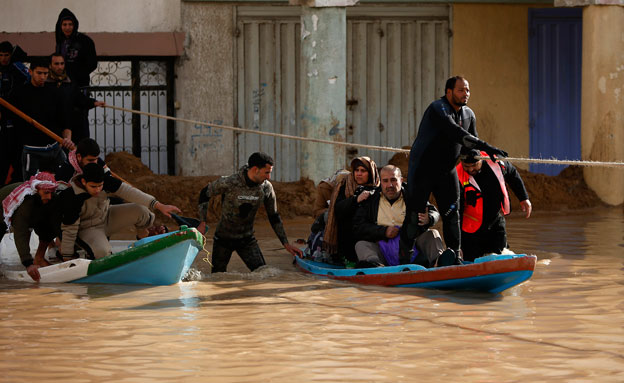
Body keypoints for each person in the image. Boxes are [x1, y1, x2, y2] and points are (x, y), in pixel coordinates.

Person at [400, 76, 508, 264]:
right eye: (461, 90)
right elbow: (456, 133)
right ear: (448, 92)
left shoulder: (468, 115)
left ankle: (455, 258)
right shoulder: (438, 109)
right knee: (414, 217)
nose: (465, 94)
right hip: (422, 171)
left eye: (467, 90)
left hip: (446, 172)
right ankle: (404, 261)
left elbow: (469, 145)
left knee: (452, 215)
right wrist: (487, 146)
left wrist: (477, 153)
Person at [197, 152, 303, 273]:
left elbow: (273, 216)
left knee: (264, 274)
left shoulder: (266, 188)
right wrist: (202, 222)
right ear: (255, 169)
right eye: (267, 172)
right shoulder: (230, 182)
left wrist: (286, 243)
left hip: (246, 240)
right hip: (223, 239)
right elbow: (205, 193)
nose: (269, 177)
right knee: (216, 278)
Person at [59, 163, 181, 260]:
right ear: (84, 182)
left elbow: (129, 191)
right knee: (103, 253)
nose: (97, 190)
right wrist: (67, 256)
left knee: (142, 212)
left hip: (107, 217)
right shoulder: (72, 197)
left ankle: (144, 238)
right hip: (88, 229)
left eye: (100, 186)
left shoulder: (106, 181)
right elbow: (69, 229)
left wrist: (160, 206)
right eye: (93, 187)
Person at [353, 165, 452, 268]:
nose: (390, 185)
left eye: (393, 180)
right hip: (382, 246)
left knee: (432, 233)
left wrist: (429, 218)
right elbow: (359, 226)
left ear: (401, 180)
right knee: (361, 245)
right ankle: (376, 268)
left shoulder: (412, 195)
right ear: (380, 182)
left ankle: (439, 263)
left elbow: (433, 211)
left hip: (411, 245)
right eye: (385, 181)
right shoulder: (371, 199)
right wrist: (383, 231)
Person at [5, 56, 74, 181]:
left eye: (45, 73)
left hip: (54, 148)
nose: (42, 77)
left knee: (66, 179)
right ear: (30, 72)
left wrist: (67, 139)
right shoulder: (19, 93)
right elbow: (6, 115)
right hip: (31, 150)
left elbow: (65, 121)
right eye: (39, 73)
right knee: (31, 185)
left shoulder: (54, 93)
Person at [457, 148, 532, 261]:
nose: (471, 169)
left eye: (474, 165)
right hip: (471, 227)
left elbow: (513, 174)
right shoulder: (456, 176)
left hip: (495, 220)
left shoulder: (496, 163)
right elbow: (455, 212)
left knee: (500, 252)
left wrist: (524, 198)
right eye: (466, 166)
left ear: (481, 159)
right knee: (471, 258)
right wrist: (458, 244)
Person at [1, 172, 61, 282]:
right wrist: (28, 263)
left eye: (51, 192)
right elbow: (21, 231)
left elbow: (55, 222)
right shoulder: (26, 201)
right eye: (46, 192)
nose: (49, 196)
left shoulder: (52, 198)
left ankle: (39, 258)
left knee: (49, 226)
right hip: (3, 211)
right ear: (36, 190)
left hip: (34, 213)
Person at [320, 157, 380, 264]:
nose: (359, 174)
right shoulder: (345, 185)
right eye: (357, 170)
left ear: (371, 173)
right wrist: (356, 199)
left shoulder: (379, 188)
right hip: (347, 235)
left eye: (363, 171)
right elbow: (337, 209)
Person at [47, 53, 104, 143]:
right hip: (50, 125)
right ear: (50, 66)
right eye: (56, 64)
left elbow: (78, 97)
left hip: (68, 124)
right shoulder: (45, 83)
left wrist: (94, 103)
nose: (60, 67)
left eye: (62, 64)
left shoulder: (69, 81)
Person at [0, 41, 29, 185]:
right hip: (2, 120)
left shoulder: (16, 69)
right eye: (1, 55)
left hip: (16, 117)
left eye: (6, 55)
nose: (4, 58)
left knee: (17, 156)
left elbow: (27, 81)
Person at [55, 9, 97, 89]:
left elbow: (92, 63)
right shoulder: (60, 42)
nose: (67, 28)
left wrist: (77, 74)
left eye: (70, 24)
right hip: (64, 84)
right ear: (60, 26)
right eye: (64, 24)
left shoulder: (85, 41)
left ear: (75, 25)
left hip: (80, 85)